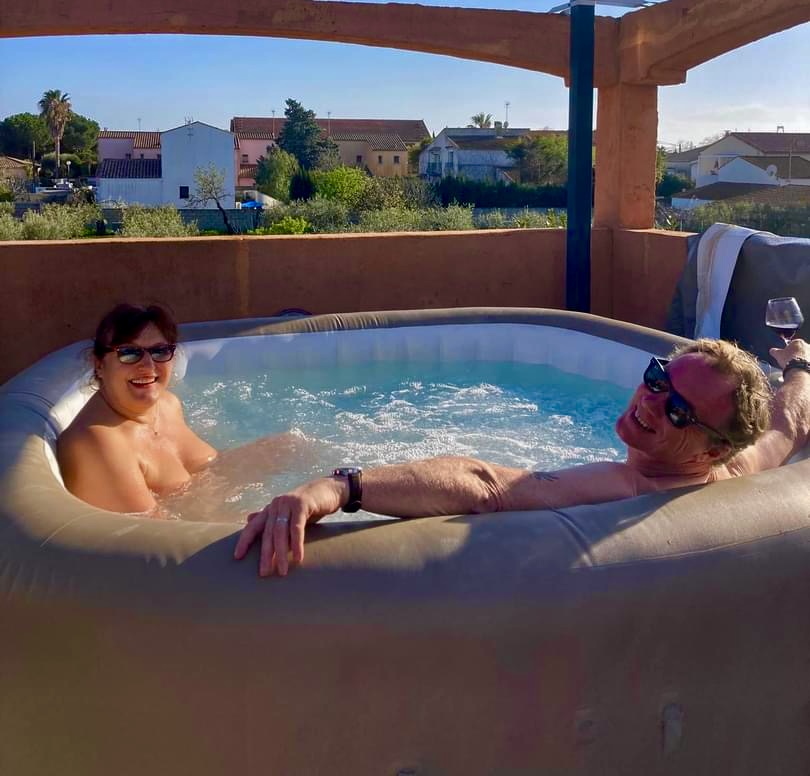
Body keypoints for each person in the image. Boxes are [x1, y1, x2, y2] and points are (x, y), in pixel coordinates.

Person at [234, 336, 810, 577]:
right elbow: (788, 425)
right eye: (657, 378)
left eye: (678, 409)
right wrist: (800, 367)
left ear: (713, 446)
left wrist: (341, 487)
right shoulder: (735, 470)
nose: (650, 400)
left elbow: (487, 487)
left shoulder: (625, 490)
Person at [57, 303, 312, 515]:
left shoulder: (167, 405)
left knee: (291, 445)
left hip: (214, 508)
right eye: (129, 353)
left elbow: (206, 476)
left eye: (160, 351)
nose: (148, 366)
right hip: (197, 545)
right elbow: (155, 538)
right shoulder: (98, 443)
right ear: (99, 364)